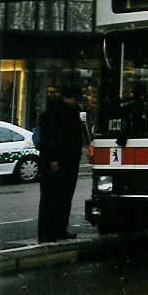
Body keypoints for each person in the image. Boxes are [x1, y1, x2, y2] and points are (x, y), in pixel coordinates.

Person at [37, 83, 84, 243]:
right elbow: (51, 139)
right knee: (53, 198)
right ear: (68, 98)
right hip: (57, 162)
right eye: (75, 98)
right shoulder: (56, 114)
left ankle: (57, 230)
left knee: (62, 198)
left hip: (66, 161)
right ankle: (49, 232)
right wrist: (53, 159)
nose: (76, 101)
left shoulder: (63, 112)